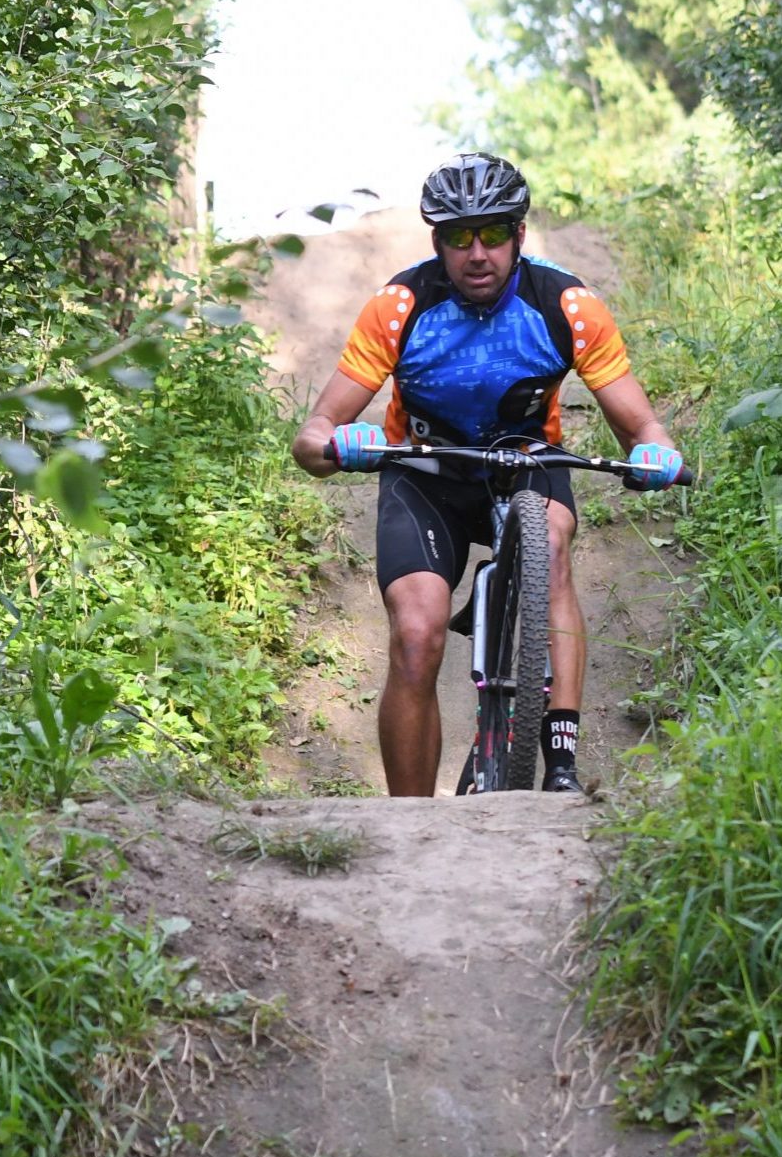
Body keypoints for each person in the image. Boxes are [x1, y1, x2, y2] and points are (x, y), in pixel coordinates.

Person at [292, 152, 684, 798]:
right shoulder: (400, 307)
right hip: (425, 473)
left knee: (551, 544)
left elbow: (643, 426)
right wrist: (340, 445)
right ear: (437, 243)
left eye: (495, 233)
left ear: (521, 235)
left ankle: (559, 761)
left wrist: (655, 453)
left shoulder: (566, 306)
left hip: (527, 464)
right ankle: (411, 822)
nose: (478, 252)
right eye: (458, 237)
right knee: (417, 633)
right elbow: (309, 437)